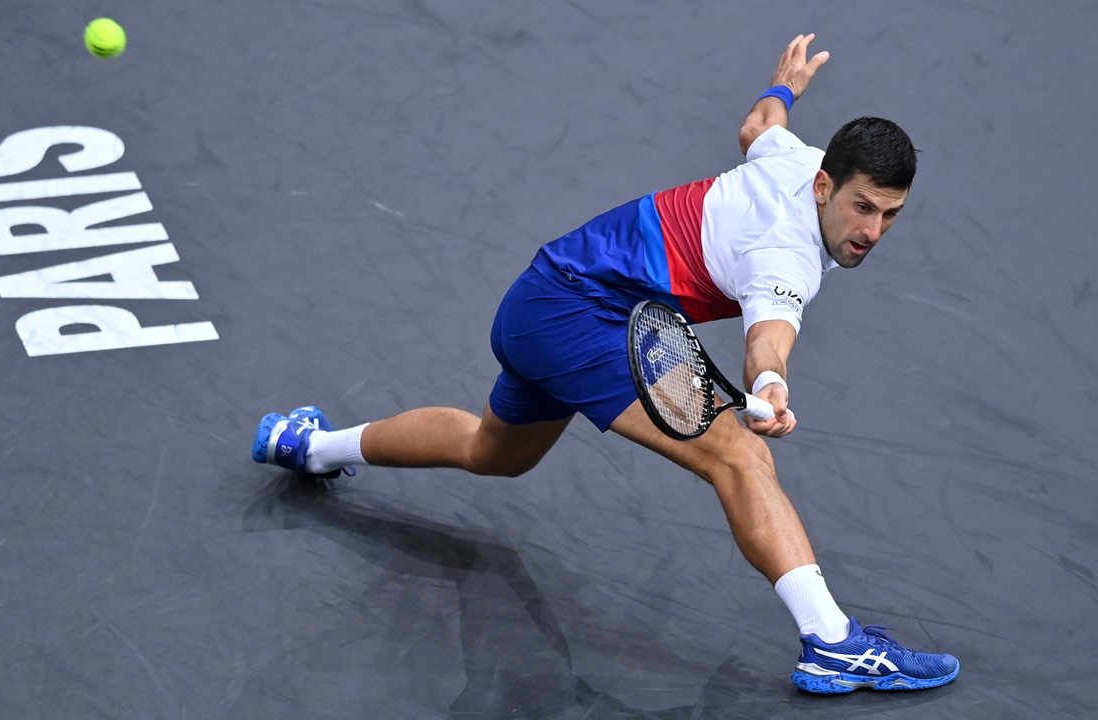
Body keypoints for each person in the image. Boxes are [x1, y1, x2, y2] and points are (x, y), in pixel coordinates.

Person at [252, 34, 959, 694]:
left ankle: (306, 445)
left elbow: (757, 125)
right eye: (863, 208)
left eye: (890, 215)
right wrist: (768, 384)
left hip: (542, 298)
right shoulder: (787, 259)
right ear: (826, 187)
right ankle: (833, 641)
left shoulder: (793, 158)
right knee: (738, 455)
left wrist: (785, 86)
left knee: (492, 451)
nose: (871, 233)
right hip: (581, 317)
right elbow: (765, 339)